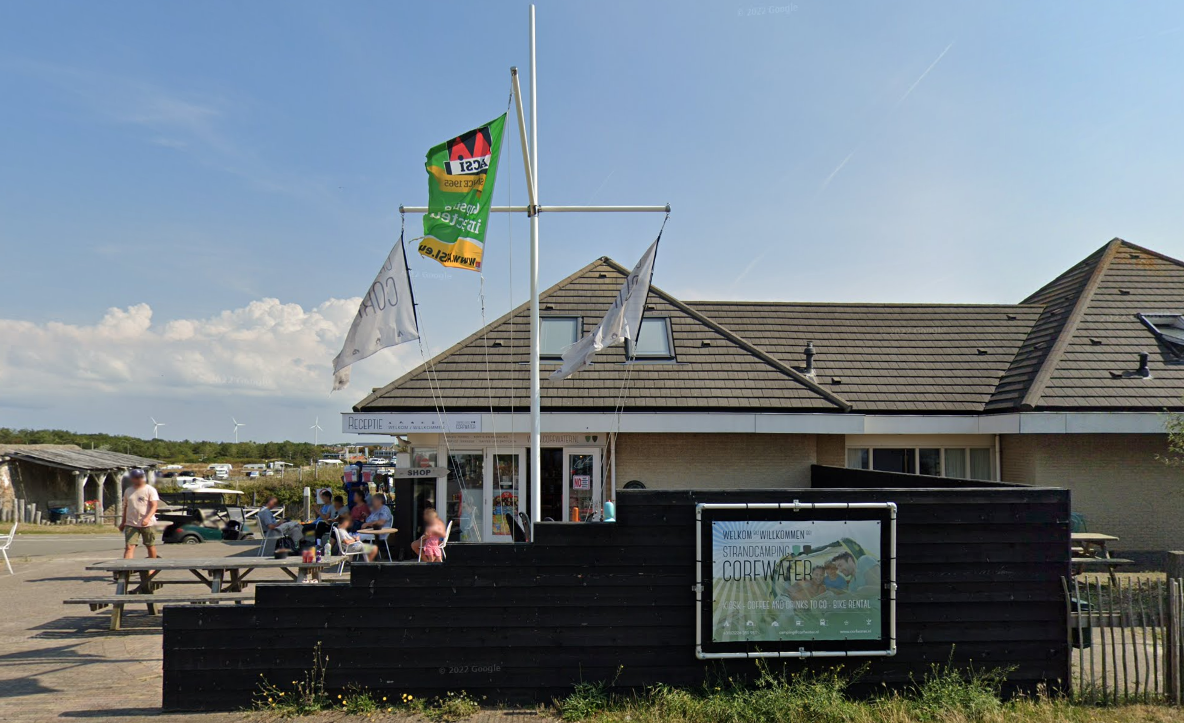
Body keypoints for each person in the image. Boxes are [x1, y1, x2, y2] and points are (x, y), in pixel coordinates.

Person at [118, 469, 160, 560]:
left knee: (150, 545)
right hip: (131, 523)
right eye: (136, 478)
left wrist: (147, 518)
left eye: (141, 477)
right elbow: (126, 507)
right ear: (132, 479)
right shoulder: (128, 491)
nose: (139, 479)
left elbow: (154, 506)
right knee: (129, 546)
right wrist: (123, 522)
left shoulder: (150, 490)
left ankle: (152, 567)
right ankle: (127, 569)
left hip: (147, 523)